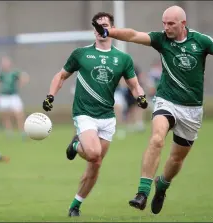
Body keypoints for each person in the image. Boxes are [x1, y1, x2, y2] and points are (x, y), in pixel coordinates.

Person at [92, 5, 213, 214]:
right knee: (157, 138)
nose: (166, 27)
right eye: (164, 23)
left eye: (171, 24)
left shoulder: (202, 41)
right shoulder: (162, 39)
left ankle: (162, 185)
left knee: (176, 159)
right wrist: (109, 31)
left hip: (192, 109)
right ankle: (142, 192)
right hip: (167, 101)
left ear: (183, 23)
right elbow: (134, 35)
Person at [42, 12, 148, 217]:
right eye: (97, 26)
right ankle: (75, 144)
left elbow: (134, 85)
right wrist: (50, 95)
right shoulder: (81, 54)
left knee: (96, 164)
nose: (101, 30)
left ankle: (75, 205)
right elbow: (61, 75)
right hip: (84, 113)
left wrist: (141, 97)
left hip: (107, 117)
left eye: (105, 25)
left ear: (112, 29)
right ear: (93, 31)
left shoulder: (123, 58)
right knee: (93, 153)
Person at [0, 56, 29, 139]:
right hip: (3, 96)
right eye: (4, 63)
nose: (5, 65)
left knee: (19, 114)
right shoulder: (0, 73)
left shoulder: (14, 73)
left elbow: (24, 76)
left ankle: (22, 131)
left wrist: (21, 83)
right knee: (5, 115)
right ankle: (9, 132)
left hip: (13, 96)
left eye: (6, 63)